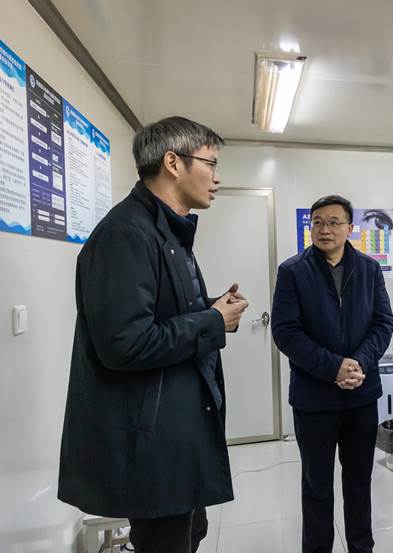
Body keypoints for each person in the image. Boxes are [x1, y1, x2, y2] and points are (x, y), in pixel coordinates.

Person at [57, 116, 249, 553]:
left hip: (176, 433)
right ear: (173, 163)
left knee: (189, 533)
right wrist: (212, 321)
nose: (217, 178)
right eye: (211, 163)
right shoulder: (126, 233)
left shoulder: (166, 231)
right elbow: (125, 344)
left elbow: (164, 313)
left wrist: (214, 309)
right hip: (151, 440)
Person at [271, 195, 393, 553]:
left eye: (334, 222)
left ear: (349, 228)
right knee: (316, 486)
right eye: (318, 222)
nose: (325, 229)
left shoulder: (369, 269)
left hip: (361, 395)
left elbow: (383, 323)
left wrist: (358, 363)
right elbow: (285, 332)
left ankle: (361, 547)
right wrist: (333, 367)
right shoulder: (293, 271)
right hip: (314, 399)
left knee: (359, 483)